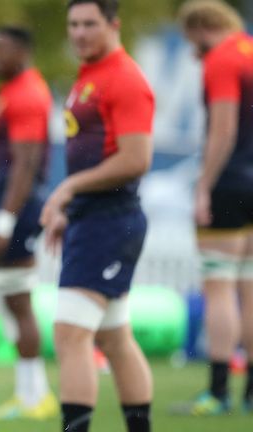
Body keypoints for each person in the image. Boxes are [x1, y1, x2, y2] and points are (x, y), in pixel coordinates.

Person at [40, 1, 154, 431]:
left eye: (90, 24)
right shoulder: (90, 75)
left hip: (113, 219)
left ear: (113, 25)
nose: (80, 33)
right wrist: (72, 206)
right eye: (73, 24)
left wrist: (68, 188)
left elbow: (137, 159)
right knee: (115, 336)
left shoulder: (125, 78)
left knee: (71, 334)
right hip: (94, 218)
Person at [0, 26, 57, 421]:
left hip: (20, 210)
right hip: (10, 205)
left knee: (20, 301)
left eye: (0, 49)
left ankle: (34, 395)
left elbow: (26, 163)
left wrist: (5, 218)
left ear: (21, 52)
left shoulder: (26, 94)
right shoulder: (12, 92)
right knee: (10, 298)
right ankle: (29, 392)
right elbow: (5, 163)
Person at [175, 0, 253, 416]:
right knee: (249, 286)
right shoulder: (249, 49)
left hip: (229, 184)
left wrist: (204, 185)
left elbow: (223, 127)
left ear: (202, 29)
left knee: (219, 287)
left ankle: (219, 391)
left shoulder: (221, 59)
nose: (194, 53)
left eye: (194, 43)